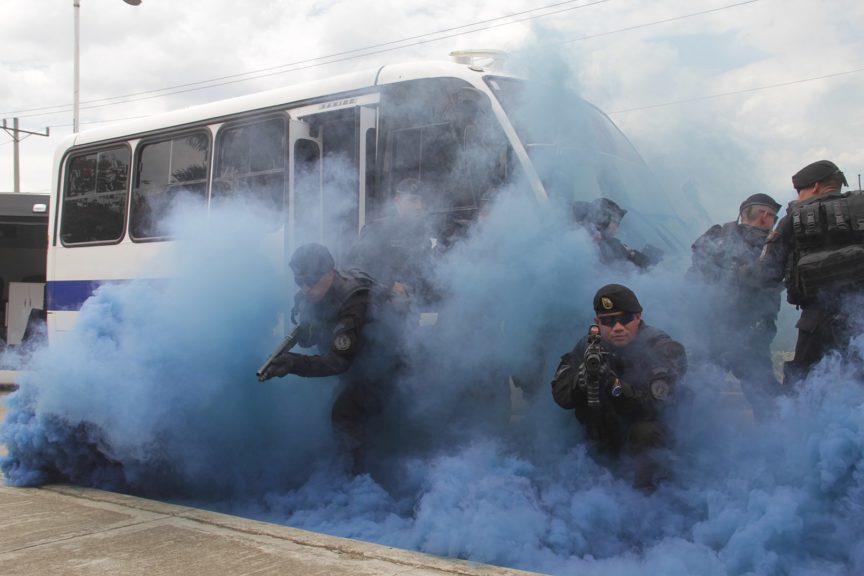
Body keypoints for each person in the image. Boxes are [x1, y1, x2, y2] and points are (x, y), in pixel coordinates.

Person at [258, 243, 402, 472]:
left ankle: (355, 477)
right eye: (299, 281)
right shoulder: (315, 295)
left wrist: (293, 363)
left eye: (311, 281)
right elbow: (309, 338)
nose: (305, 288)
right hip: (360, 365)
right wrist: (307, 325)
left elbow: (338, 361)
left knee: (344, 411)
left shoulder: (355, 301)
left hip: (388, 369)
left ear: (330, 274)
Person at [551, 284, 687, 490]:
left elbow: (652, 408)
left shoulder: (660, 348)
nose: (617, 328)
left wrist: (613, 383)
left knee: (647, 431)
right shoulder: (588, 347)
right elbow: (561, 396)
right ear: (597, 322)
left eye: (624, 319)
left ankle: (650, 496)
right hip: (604, 435)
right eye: (608, 321)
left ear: (638, 317)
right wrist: (581, 380)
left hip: (648, 440)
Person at [757, 159, 862, 385]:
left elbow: (766, 274)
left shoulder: (792, 219)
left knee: (801, 385)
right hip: (860, 316)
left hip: (816, 320)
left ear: (814, 186)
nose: (798, 198)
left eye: (799, 191)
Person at [688, 193, 785, 415]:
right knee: (765, 397)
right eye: (772, 216)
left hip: (711, 329)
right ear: (764, 215)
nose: (772, 221)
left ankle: (684, 441)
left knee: (699, 393)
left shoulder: (715, 237)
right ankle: (779, 444)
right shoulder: (769, 244)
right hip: (752, 332)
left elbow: (692, 280)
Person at [346, 177, 440, 307]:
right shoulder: (377, 229)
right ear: (397, 201)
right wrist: (390, 285)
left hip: (419, 308)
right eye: (413, 200)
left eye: (422, 201)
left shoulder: (430, 232)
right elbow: (356, 267)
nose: (419, 206)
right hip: (382, 307)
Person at [571, 198, 660, 270]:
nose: (617, 228)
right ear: (604, 221)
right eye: (616, 222)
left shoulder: (582, 242)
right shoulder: (602, 248)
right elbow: (645, 263)